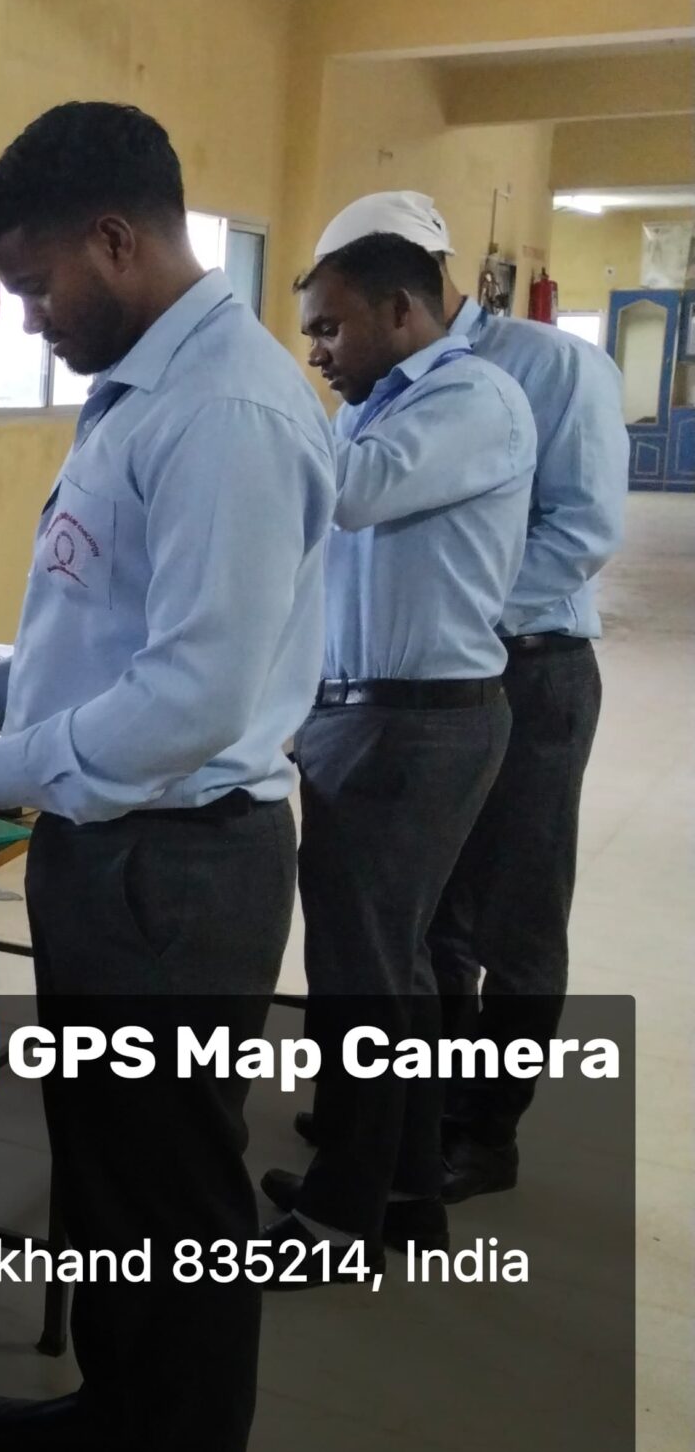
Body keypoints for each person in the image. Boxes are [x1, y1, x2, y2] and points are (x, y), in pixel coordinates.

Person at [0, 102, 336, 1452]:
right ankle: (127, 1422)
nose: (25, 314)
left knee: (175, 1196)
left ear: (117, 241)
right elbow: (112, 622)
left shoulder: (228, 415)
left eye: (33, 282)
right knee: (111, 1172)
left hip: (177, 866)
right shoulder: (146, 391)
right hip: (114, 848)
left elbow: (194, 693)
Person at [298, 194, 627, 1204]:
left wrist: (463, 615)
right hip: (418, 679)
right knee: (420, 931)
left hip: (525, 661)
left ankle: (484, 1130)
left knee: (512, 915)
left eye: (331, 322)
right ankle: (402, 1129)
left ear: (404, 290)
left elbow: (582, 531)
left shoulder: (532, 371)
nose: (320, 346)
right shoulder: (379, 384)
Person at [262, 229, 535, 1269]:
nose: (316, 352)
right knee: (392, 972)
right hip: (372, 715)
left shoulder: (471, 399)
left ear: (403, 311)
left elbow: (354, 491)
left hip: (416, 724)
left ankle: (341, 1221)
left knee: (365, 980)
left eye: (330, 328)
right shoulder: (376, 405)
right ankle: (405, 1191)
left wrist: (254, 399)